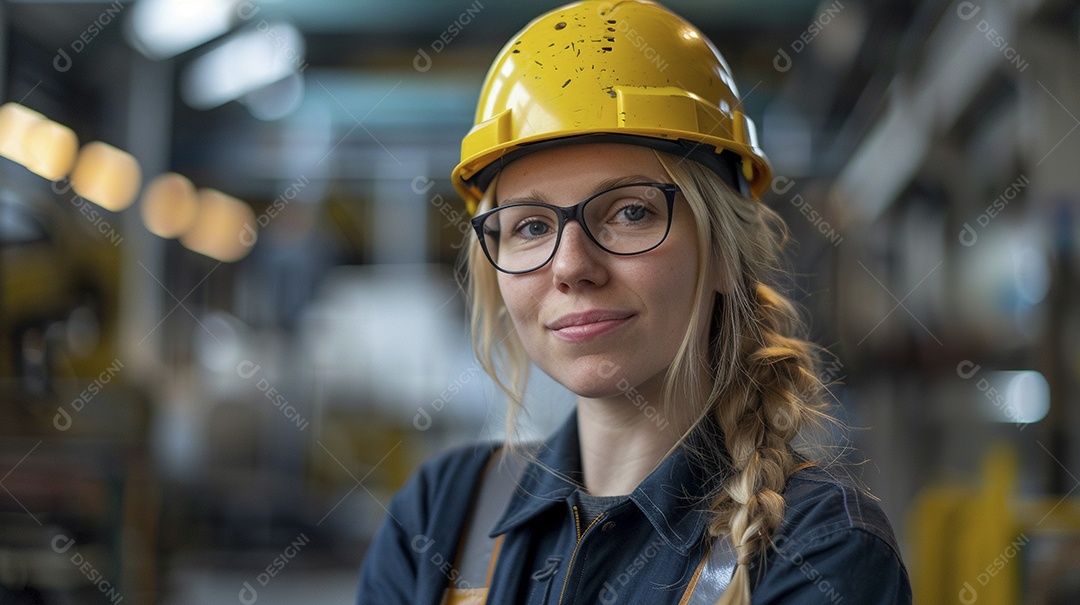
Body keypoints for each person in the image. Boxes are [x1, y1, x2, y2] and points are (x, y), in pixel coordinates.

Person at [357, 1, 911, 603]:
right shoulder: (440, 515)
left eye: (630, 212)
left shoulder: (821, 548)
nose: (571, 266)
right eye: (531, 227)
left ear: (726, 252)